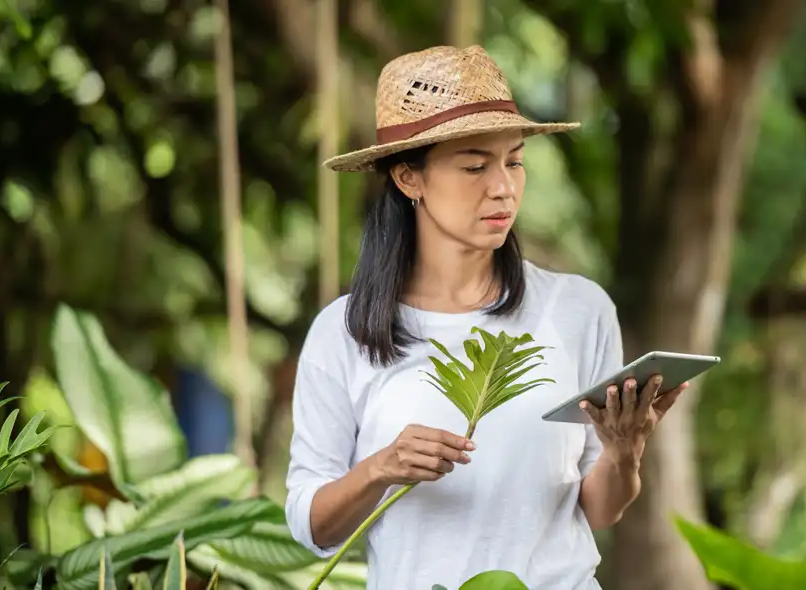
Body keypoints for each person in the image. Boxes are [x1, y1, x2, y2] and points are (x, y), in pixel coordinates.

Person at [285, 45, 688, 590]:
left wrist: (624, 453)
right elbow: (312, 525)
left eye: (515, 161)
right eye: (475, 165)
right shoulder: (343, 332)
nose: (503, 186)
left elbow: (595, 511)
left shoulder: (578, 309)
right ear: (409, 179)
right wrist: (381, 467)